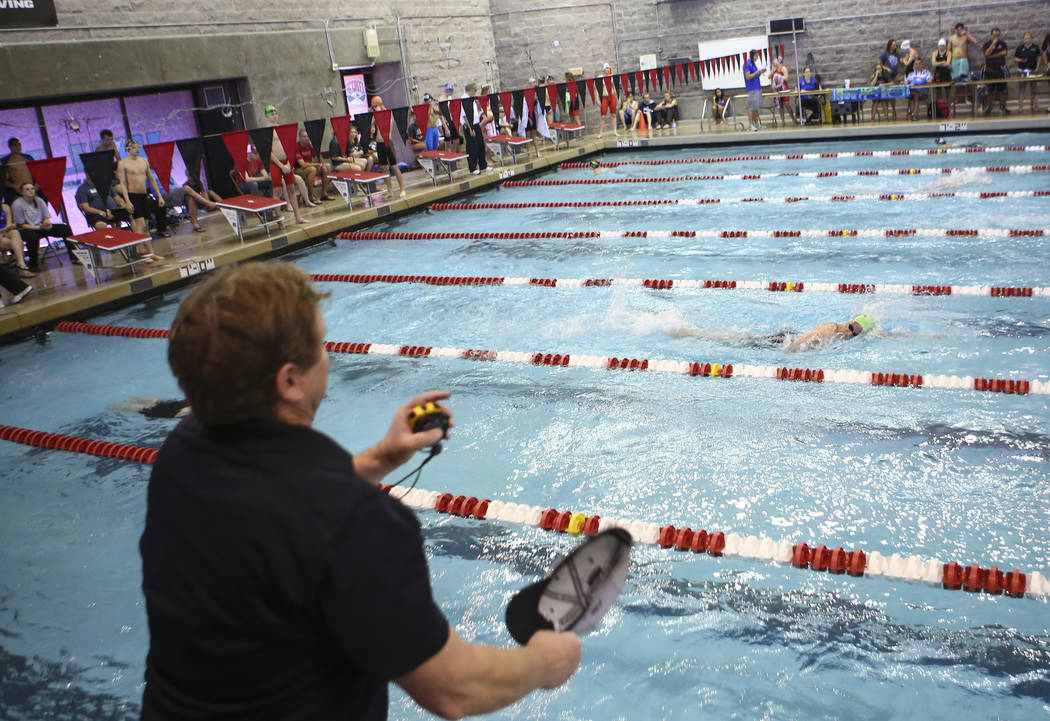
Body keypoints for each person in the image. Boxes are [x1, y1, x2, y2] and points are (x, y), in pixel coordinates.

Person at [139, 262, 582, 720]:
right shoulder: (359, 523)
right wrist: (543, 662)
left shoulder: (182, 452)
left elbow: (282, 510)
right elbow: (455, 689)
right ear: (289, 382)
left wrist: (379, 460)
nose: (328, 356)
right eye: (321, 344)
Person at [116, 138, 169, 260]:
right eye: (134, 147)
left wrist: (159, 195)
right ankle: (141, 253)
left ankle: (150, 252)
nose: (137, 149)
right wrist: (127, 201)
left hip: (144, 196)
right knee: (139, 226)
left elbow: (151, 179)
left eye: (138, 147)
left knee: (146, 225)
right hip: (133, 196)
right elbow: (123, 184)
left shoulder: (144, 161)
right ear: (128, 149)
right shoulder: (123, 164)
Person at [12, 182, 75, 269]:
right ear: (22, 192)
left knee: (65, 228)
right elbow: (21, 225)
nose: (31, 191)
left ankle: (74, 257)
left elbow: (46, 218)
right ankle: (33, 265)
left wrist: (47, 224)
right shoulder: (17, 204)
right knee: (31, 236)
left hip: (41, 227)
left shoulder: (39, 201)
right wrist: (38, 227)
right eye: (27, 189)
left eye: (32, 189)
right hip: (26, 229)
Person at [264, 105, 309, 224]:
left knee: (291, 189)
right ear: (267, 116)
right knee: (277, 191)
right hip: (275, 163)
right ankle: (279, 220)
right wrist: (281, 166)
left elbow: (290, 147)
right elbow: (268, 152)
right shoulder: (266, 132)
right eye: (272, 114)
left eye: (276, 113)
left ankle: (298, 217)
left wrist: (289, 163)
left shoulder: (282, 129)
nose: (275, 116)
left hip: (287, 162)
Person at [369, 96, 407, 197]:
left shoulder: (388, 113)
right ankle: (390, 191)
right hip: (379, 143)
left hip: (387, 142)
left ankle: (402, 189)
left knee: (394, 166)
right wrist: (372, 128)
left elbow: (389, 122)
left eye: (375, 106)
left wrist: (381, 108)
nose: (374, 108)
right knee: (384, 167)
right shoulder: (374, 116)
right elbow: (372, 128)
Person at [785, 314, 874, 352]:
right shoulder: (832, 328)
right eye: (851, 327)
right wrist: (789, 352)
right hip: (784, 341)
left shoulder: (840, 337)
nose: (850, 333)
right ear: (850, 321)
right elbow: (803, 341)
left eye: (855, 333)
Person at [295, 128, 334, 203]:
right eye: (304, 136)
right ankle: (310, 196)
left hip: (310, 167)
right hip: (299, 170)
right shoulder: (296, 147)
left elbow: (318, 155)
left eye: (307, 136)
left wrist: (322, 165)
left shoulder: (309, 145)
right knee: (312, 169)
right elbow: (303, 164)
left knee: (327, 166)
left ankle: (324, 193)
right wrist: (317, 164)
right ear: (299, 138)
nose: (306, 138)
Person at [459, 83, 488, 175]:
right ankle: (472, 168)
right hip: (469, 125)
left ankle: (483, 166)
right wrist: (470, 128)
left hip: (476, 124)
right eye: (475, 90)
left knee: (480, 145)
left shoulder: (472, 99)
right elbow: (465, 116)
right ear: (470, 89)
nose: (476, 92)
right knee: (472, 147)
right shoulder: (464, 99)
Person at [0, 200, 33, 276]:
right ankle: (22, 267)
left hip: (5, 233)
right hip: (3, 234)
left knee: (15, 232)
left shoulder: (5, 207)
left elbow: (9, 225)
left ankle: (21, 264)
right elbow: (9, 226)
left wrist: (3, 231)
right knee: (19, 244)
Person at [982, 28, 1009, 115]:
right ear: (991, 35)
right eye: (994, 35)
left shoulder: (1003, 44)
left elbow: (1004, 53)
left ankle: (1003, 107)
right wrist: (993, 43)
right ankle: (990, 107)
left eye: (998, 35)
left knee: (1002, 90)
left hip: (1000, 69)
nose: (996, 37)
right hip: (990, 70)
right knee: (990, 90)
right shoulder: (987, 44)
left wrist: (992, 56)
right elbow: (986, 54)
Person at [2, 137, 35, 205]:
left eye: (19, 144)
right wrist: (15, 186)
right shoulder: (6, 161)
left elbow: (38, 175)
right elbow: (3, 180)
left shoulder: (28, 158)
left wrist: (35, 187)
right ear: (10, 147)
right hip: (17, 194)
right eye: (14, 145)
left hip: (32, 191)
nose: (17, 147)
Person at [1014, 32, 1042, 112]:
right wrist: (1021, 60)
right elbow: (1015, 58)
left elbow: (1039, 57)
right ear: (1023, 39)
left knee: (1034, 89)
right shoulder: (1020, 48)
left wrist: (1037, 67)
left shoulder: (1035, 47)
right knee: (1022, 89)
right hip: (1022, 71)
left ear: (1031, 38)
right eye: (1026, 38)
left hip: (1032, 70)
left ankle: (1036, 106)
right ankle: (1020, 107)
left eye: (1029, 38)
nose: (1027, 39)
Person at [743, 49, 764, 131]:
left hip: (757, 87)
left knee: (755, 108)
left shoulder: (753, 64)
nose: (757, 58)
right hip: (751, 88)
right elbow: (748, 76)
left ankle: (756, 124)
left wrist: (760, 73)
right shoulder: (746, 64)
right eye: (757, 56)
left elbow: (755, 76)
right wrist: (757, 72)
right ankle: (751, 125)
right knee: (751, 107)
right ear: (753, 55)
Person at [768, 59, 792, 126]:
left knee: (786, 104)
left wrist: (778, 77)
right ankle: (783, 121)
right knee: (780, 106)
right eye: (773, 63)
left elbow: (786, 78)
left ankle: (793, 118)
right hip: (778, 90)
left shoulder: (783, 68)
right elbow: (769, 77)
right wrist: (772, 71)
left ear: (778, 62)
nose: (774, 64)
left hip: (784, 88)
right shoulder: (774, 70)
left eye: (775, 63)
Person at [596, 63, 618, 138]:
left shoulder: (611, 77)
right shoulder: (599, 78)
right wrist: (597, 99)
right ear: (603, 70)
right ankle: (600, 133)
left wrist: (618, 98)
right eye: (606, 68)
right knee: (603, 116)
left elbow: (615, 88)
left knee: (614, 114)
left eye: (609, 68)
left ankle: (615, 131)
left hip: (612, 97)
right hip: (604, 97)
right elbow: (595, 89)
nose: (608, 70)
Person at [931, 38, 953, 108]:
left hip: (946, 73)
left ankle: (948, 108)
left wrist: (939, 63)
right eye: (940, 45)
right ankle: (939, 108)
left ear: (945, 46)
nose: (941, 47)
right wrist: (943, 62)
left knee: (948, 93)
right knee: (938, 92)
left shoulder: (948, 53)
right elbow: (933, 63)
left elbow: (948, 63)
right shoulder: (935, 53)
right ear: (938, 46)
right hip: (938, 73)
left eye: (943, 45)